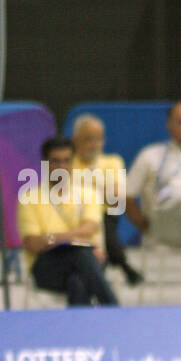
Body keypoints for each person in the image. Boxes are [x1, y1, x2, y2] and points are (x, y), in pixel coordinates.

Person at [18, 136, 118, 306]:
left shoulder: (88, 194)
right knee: (80, 254)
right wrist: (70, 240)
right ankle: (113, 308)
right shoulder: (29, 198)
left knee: (77, 280)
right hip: (47, 267)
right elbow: (32, 244)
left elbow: (89, 228)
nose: (61, 167)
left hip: (88, 262)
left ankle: (78, 330)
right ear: (45, 163)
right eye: (55, 161)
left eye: (66, 161)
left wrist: (52, 238)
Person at [126, 101, 181, 303]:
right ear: (169, 125)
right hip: (163, 223)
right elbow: (125, 196)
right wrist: (144, 226)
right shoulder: (151, 155)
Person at [72, 113, 142, 286]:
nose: (94, 145)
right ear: (75, 140)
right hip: (73, 218)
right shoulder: (66, 163)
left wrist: (84, 187)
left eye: (98, 139)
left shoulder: (113, 161)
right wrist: (99, 188)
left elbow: (116, 198)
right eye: (88, 139)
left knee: (102, 232)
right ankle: (122, 265)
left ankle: (98, 274)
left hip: (104, 215)